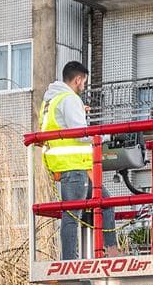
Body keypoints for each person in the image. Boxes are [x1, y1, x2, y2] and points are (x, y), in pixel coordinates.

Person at [40, 61, 105, 259]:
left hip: (67, 165)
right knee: (73, 215)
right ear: (78, 79)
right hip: (75, 165)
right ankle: (72, 259)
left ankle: (103, 252)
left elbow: (60, 125)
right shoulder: (69, 99)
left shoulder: (52, 100)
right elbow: (80, 133)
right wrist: (104, 136)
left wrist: (78, 110)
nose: (83, 86)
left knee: (103, 204)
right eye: (84, 82)